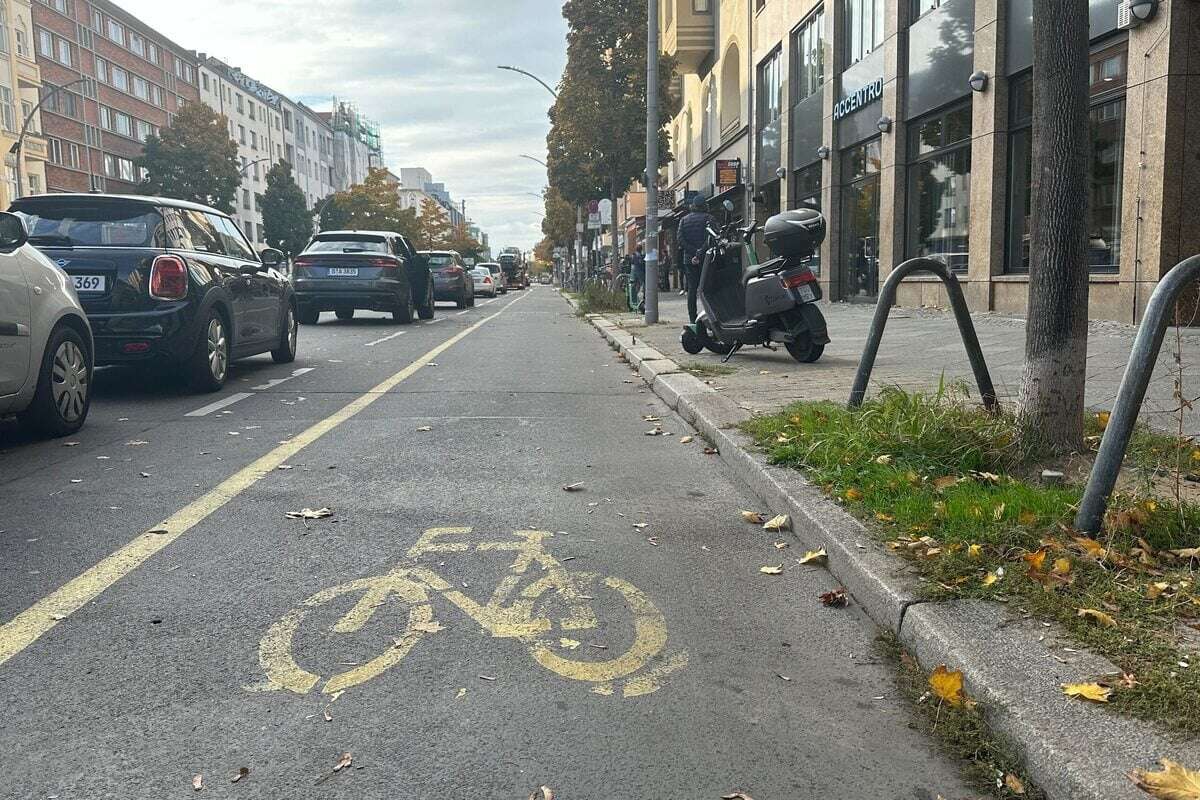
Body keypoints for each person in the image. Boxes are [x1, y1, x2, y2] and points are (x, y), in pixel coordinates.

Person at [677, 196, 714, 323]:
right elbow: (712, 237)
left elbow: (680, 240)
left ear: (693, 206)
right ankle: (711, 315)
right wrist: (700, 252)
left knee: (692, 289)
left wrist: (693, 252)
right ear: (705, 206)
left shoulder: (683, 220)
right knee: (708, 288)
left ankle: (693, 318)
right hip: (706, 258)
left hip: (689, 259)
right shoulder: (709, 218)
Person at [631, 246, 646, 311]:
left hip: (635, 272)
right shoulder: (642, 256)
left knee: (636, 285)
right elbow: (642, 264)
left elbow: (632, 264)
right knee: (644, 284)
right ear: (641, 250)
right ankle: (644, 297)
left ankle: (635, 297)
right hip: (640, 272)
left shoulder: (634, 256)